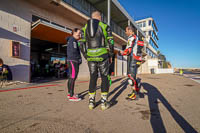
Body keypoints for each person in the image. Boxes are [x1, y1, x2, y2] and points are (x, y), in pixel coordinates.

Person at [79, 11, 114, 110]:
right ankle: (103, 102)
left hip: (90, 56)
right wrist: (111, 54)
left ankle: (91, 102)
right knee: (104, 77)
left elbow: (81, 44)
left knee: (93, 77)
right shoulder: (104, 26)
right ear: (100, 17)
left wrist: (86, 55)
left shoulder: (84, 28)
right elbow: (111, 42)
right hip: (102, 55)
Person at [118, 26, 144, 100]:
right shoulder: (136, 37)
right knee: (131, 77)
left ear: (130, 30)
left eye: (126, 31)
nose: (125, 32)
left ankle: (136, 94)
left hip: (133, 59)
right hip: (135, 59)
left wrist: (121, 53)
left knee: (131, 78)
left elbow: (128, 50)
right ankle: (134, 92)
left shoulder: (131, 38)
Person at [66, 28, 82, 101]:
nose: (80, 35)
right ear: (74, 32)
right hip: (73, 60)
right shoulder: (72, 40)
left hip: (72, 60)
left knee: (71, 77)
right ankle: (71, 96)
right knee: (73, 77)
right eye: (79, 33)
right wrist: (78, 59)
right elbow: (74, 51)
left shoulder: (73, 40)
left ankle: (70, 93)